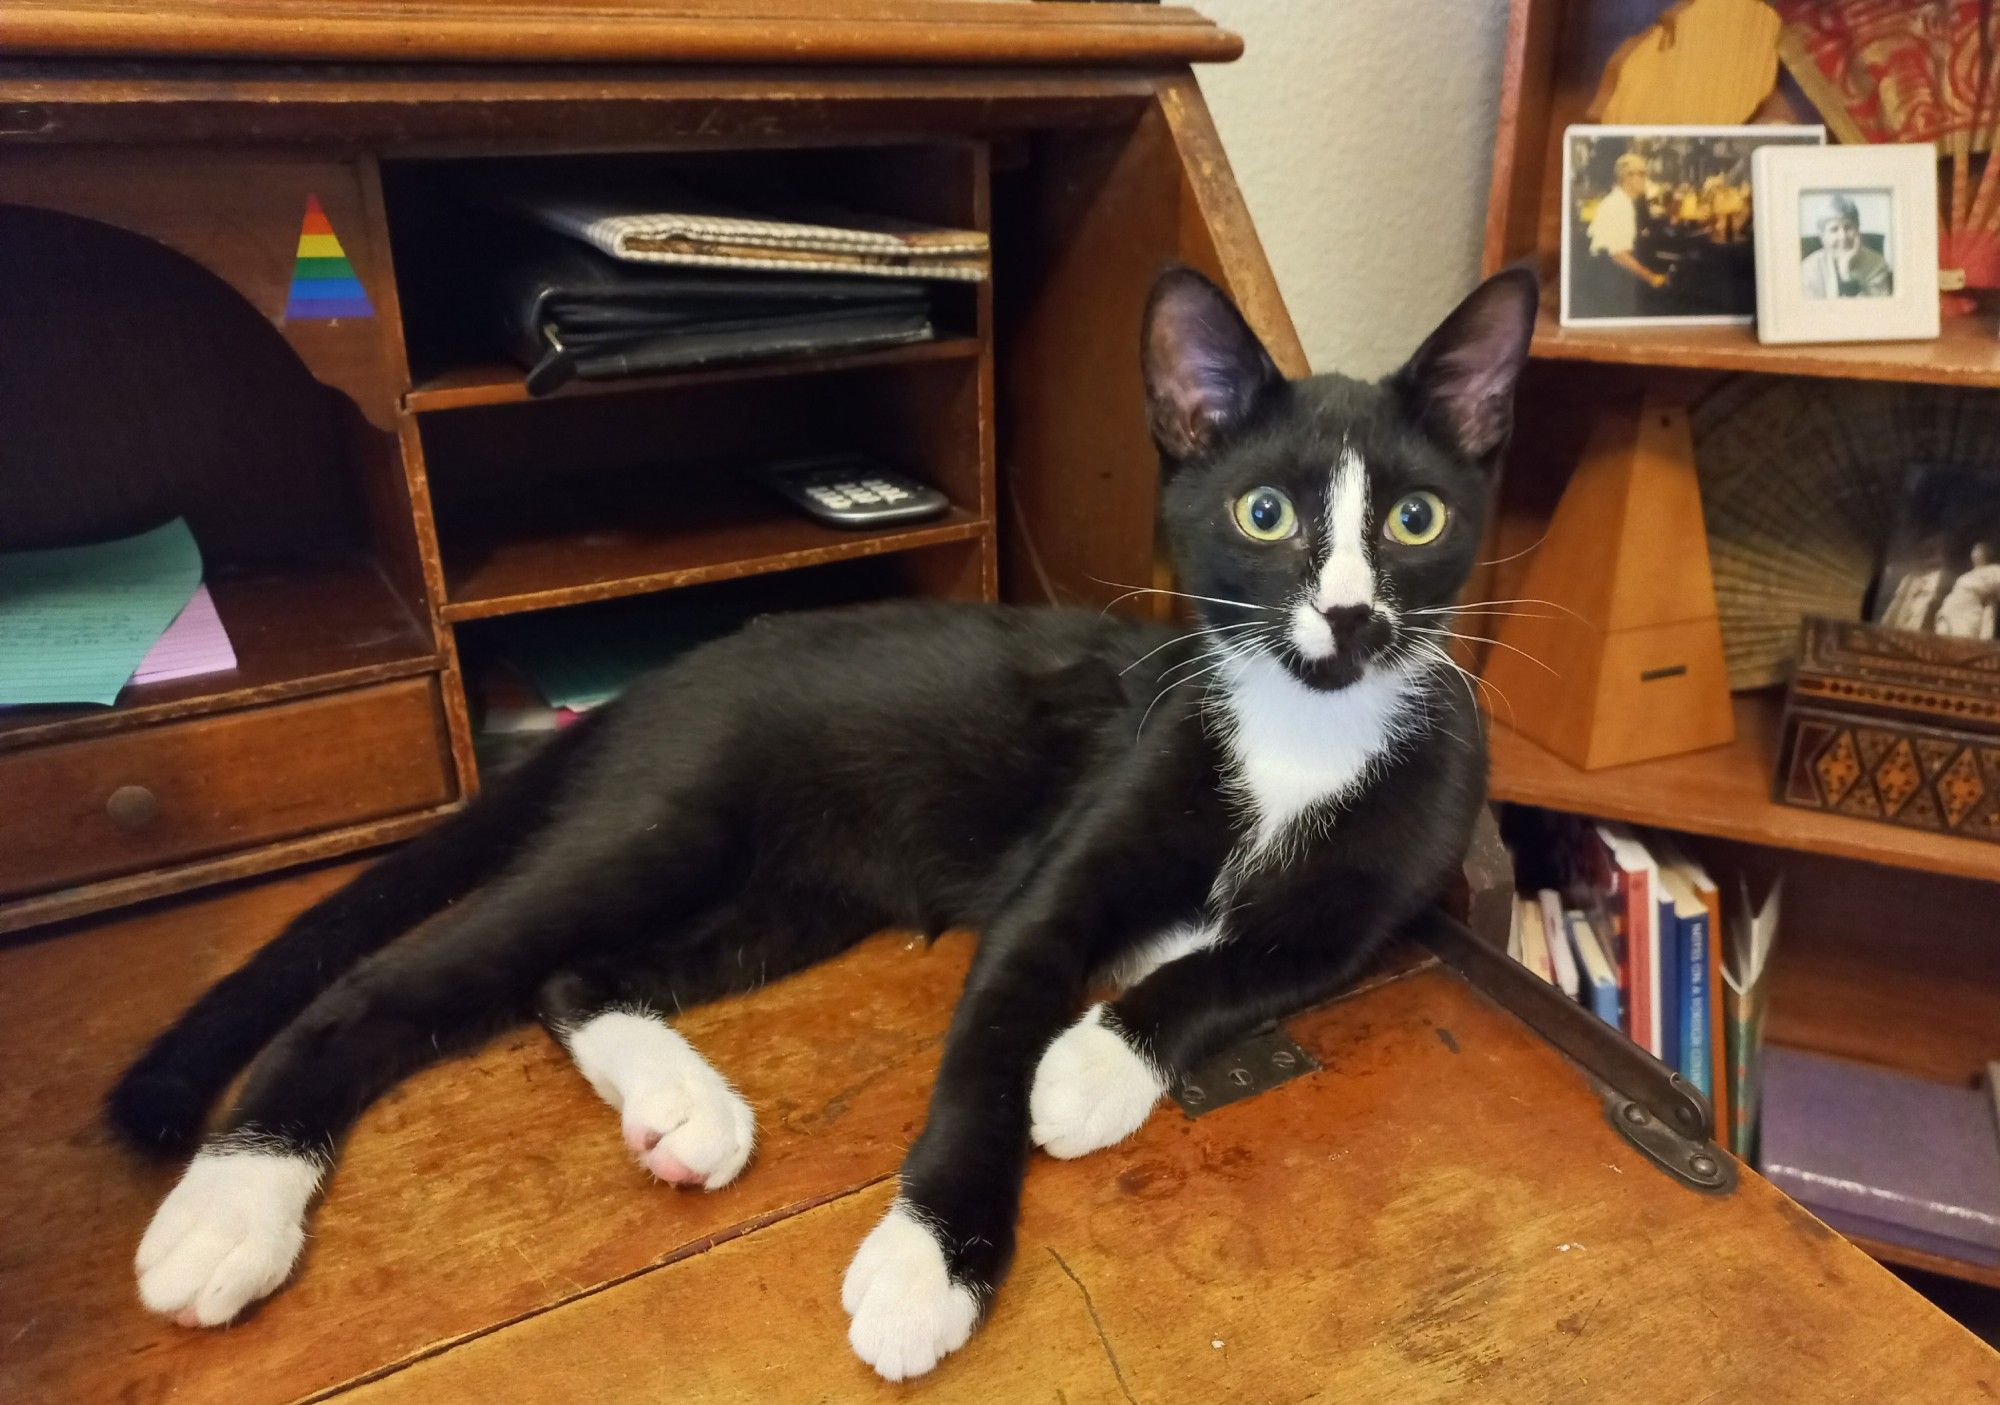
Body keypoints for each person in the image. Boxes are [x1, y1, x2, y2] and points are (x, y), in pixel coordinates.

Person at [1588, 152, 1668, 294]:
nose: (1646, 179)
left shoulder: (1622, 201)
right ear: (1627, 177)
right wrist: (1652, 278)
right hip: (1609, 280)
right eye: (1642, 174)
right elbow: (1619, 255)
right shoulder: (1619, 205)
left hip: (1609, 275)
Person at [1801, 194, 1892, 299]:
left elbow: (1878, 312)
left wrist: (1846, 273)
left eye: (1848, 227)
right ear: (1822, 236)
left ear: (1858, 229)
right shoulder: (1808, 269)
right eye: (1834, 229)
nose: (1843, 237)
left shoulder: (1877, 264)